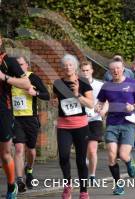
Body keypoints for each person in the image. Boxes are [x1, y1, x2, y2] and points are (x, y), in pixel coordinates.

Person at [96, 58, 135, 195]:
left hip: (128, 123)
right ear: (110, 71)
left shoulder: (131, 83)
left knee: (123, 155)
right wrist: (98, 107)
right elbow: (101, 101)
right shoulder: (107, 86)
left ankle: (129, 162)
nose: (115, 71)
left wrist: (133, 106)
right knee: (111, 155)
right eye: (113, 69)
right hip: (112, 123)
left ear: (123, 69)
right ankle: (118, 185)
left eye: (118, 68)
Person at [52, 54, 93, 199]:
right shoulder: (57, 83)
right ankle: (68, 185)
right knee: (63, 156)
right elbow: (55, 99)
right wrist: (54, 102)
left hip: (80, 126)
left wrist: (77, 94)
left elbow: (91, 104)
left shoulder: (83, 81)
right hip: (64, 125)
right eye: (65, 65)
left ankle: (83, 190)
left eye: (70, 65)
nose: (67, 67)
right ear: (62, 67)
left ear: (75, 67)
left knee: (81, 159)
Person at [0, 34, 31, 198]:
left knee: (5, 154)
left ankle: (12, 185)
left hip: (3, 112)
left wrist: (4, 77)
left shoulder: (8, 61)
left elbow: (26, 84)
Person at [12, 56, 50, 192]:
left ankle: (29, 170)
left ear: (27, 65)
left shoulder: (32, 77)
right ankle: (19, 180)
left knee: (31, 150)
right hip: (15, 119)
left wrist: (36, 92)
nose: (18, 67)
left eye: (21, 64)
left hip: (31, 119)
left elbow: (47, 95)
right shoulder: (10, 79)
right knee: (18, 149)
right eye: (16, 65)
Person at [80, 61, 106, 182]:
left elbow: (107, 101)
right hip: (80, 120)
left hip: (95, 119)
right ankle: (85, 162)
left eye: (87, 70)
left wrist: (103, 111)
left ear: (92, 71)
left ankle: (92, 176)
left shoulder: (99, 85)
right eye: (83, 70)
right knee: (83, 149)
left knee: (92, 149)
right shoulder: (77, 85)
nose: (85, 73)